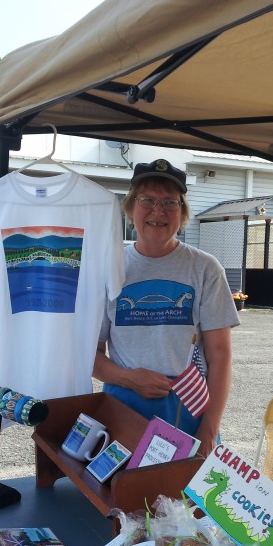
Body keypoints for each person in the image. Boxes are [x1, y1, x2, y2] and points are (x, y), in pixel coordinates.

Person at [94, 158, 240, 456]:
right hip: (124, 406)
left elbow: (220, 356)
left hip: (187, 410)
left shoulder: (205, 268)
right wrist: (129, 379)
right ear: (131, 207)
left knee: (184, 500)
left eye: (170, 202)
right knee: (120, 497)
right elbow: (90, 355)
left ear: (182, 212)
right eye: (147, 200)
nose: (158, 211)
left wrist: (209, 431)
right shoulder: (107, 268)